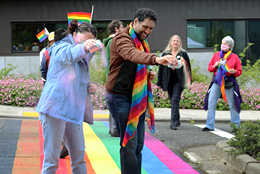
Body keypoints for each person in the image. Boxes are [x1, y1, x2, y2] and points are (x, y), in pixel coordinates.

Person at [105, 8, 176, 174]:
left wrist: (147, 73)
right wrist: (156, 59)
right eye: (145, 27)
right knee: (129, 144)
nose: (148, 31)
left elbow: (137, 64)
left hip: (136, 96)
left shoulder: (142, 41)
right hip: (119, 96)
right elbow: (131, 54)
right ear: (135, 21)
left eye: (151, 28)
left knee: (138, 145)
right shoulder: (122, 37)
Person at [36, 20, 101, 174]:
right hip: (54, 109)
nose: (87, 45)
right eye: (84, 40)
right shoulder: (60, 47)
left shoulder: (82, 55)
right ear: (74, 35)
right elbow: (70, 55)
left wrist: (88, 86)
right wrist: (85, 46)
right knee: (51, 162)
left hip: (72, 111)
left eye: (89, 42)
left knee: (79, 158)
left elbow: (74, 79)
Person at [203, 35, 242, 131]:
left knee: (232, 105)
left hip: (229, 83)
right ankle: (209, 125)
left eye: (225, 44)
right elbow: (209, 68)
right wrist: (215, 65)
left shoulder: (235, 57)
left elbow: (239, 71)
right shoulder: (216, 55)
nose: (223, 45)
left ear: (230, 46)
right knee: (211, 103)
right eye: (222, 43)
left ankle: (236, 127)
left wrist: (234, 72)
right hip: (217, 81)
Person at [156, 35, 192, 130]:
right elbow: (161, 69)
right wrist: (159, 83)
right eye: (174, 41)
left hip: (179, 80)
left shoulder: (183, 53)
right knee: (172, 100)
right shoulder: (165, 54)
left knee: (175, 100)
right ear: (171, 43)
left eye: (177, 41)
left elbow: (188, 68)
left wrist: (189, 81)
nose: (175, 42)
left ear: (180, 43)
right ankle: (177, 118)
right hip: (168, 81)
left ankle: (173, 123)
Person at [103, 19, 124, 137]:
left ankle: (113, 128)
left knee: (112, 102)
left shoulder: (110, 41)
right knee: (115, 103)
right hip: (115, 77)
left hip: (111, 77)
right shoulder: (114, 41)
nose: (124, 29)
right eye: (122, 27)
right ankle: (115, 128)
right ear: (116, 29)